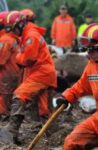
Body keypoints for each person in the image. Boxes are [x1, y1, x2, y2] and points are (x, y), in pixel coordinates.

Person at [0, 11, 57, 144]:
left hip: (41, 73)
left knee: (20, 94)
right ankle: (53, 134)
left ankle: (11, 131)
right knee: (44, 109)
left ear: (19, 25)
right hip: (43, 72)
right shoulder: (28, 34)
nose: (13, 32)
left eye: (13, 29)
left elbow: (28, 59)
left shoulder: (31, 36)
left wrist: (19, 57)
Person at [0, 11, 21, 116]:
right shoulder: (9, 40)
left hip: (9, 77)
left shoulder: (9, 40)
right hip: (9, 76)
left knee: (6, 103)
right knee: (6, 104)